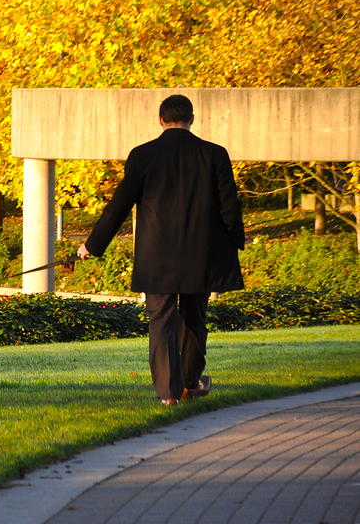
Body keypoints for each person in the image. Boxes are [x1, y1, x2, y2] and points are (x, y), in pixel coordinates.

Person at [77, 94, 244, 406]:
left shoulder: (143, 155)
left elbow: (119, 205)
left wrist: (92, 245)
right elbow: (229, 207)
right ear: (192, 119)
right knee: (195, 316)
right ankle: (190, 382)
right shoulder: (214, 154)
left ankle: (168, 393)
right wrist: (236, 242)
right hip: (201, 254)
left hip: (157, 257)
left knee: (161, 321)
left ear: (160, 120)